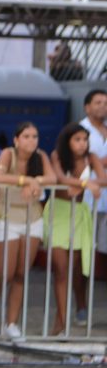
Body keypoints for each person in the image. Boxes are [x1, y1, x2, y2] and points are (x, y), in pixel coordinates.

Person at [0, 122, 56, 341]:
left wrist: (36, 180)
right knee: (5, 273)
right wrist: (26, 180)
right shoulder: (7, 154)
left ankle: (11, 323)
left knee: (22, 274)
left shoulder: (40, 156)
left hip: (32, 219)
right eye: (26, 136)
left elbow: (52, 178)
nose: (31, 141)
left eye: (35, 136)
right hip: (7, 218)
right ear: (16, 139)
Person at [44, 123, 104, 335]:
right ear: (68, 141)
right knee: (60, 268)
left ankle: (77, 308)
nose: (82, 144)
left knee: (76, 269)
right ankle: (60, 320)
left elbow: (103, 179)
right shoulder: (57, 155)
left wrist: (80, 185)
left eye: (84, 139)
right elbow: (60, 178)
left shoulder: (92, 157)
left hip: (79, 213)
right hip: (58, 213)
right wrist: (87, 184)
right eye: (77, 139)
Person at [78, 89, 107, 255]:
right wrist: (102, 162)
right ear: (87, 107)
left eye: (106, 103)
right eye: (98, 103)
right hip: (87, 196)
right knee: (83, 247)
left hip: (105, 198)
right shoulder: (79, 130)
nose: (103, 106)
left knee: (101, 249)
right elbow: (74, 159)